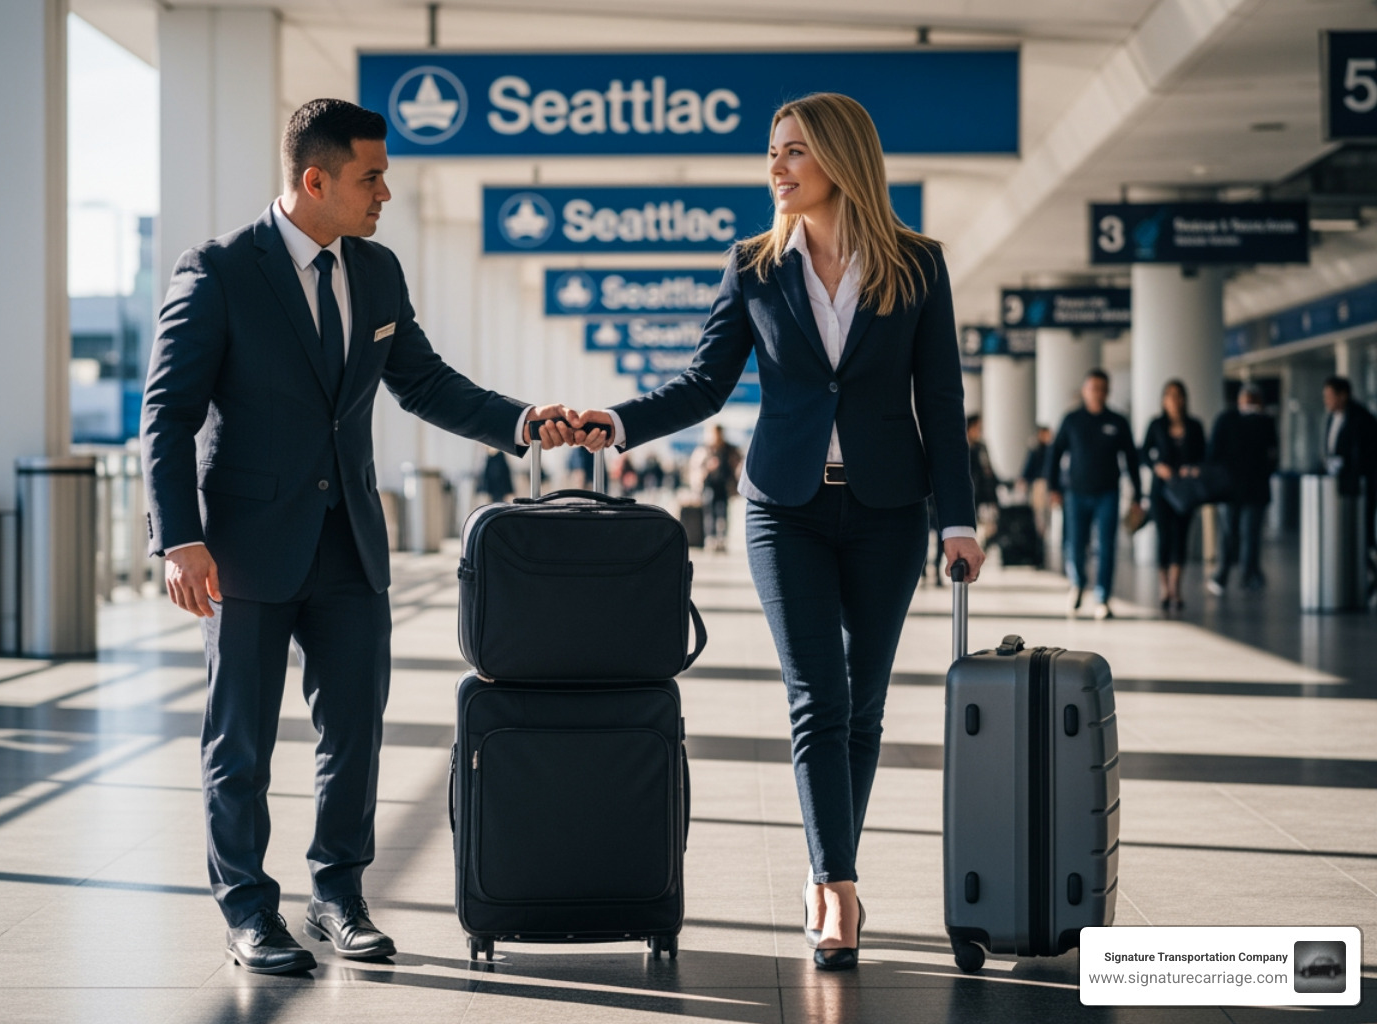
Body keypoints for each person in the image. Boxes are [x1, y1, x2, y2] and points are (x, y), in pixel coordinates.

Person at [142, 99, 573, 974]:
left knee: (356, 734)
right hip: (246, 549)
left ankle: (337, 894)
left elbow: (425, 382)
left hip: (350, 547)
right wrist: (177, 537)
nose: (385, 192)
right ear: (315, 180)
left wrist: (524, 421)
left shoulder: (375, 272)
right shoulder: (220, 270)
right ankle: (248, 912)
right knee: (243, 740)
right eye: (370, 177)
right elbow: (166, 414)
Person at [564, 92, 982, 971]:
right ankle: (838, 888)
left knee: (862, 706)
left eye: (794, 151)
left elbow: (940, 404)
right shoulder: (753, 267)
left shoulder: (918, 265)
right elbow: (705, 383)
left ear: (840, 158)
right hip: (781, 507)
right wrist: (622, 420)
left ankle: (830, 869)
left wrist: (960, 520)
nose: (777, 168)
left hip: (889, 512)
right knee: (816, 699)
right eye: (773, 153)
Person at [1045, 368, 1143, 620]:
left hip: (1108, 494)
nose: (1097, 393)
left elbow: (1132, 459)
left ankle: (1103, 597)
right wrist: (1053, 488)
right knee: (1075, 544)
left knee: (1106, 546)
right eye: (1092, 388)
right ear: (1084, 391)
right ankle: (1077, 584)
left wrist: (1139, 496)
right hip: (1076, 494)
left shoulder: (1118, 422)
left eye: (1101, 388)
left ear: (1107, 391)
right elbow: (1055, 455)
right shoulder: (1072, 420)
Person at [1141, 380, 1206, 612]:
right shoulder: (1156, 425)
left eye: (1178, 395)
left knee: (1181, 537)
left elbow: (1204, 455)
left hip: (1185, 490)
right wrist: (1157, 466)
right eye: (1169, 395)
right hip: (1162, 489)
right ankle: (1164, 587)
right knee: (1164, 537)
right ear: (1163, 399)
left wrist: (1194, 468)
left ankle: (1176, 588)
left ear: (1184, 399)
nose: (1174, 400)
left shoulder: (1194, 426)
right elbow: (1143, 453)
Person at [1207, 383, 1278, 593]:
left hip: (1255, 490)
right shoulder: (1226, 420)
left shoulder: (1265, 422)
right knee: (1229, 533)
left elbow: (1272, 455)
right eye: (1245, 399)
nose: (1248, 404)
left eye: (1253, 400)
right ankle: (1223, 572)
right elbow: (1213, 452)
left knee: (1251, 533)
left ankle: (1250, 574)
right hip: (1229, 490)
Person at [1322, 375, 1377, 593]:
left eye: (1330, 396)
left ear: (1343, 395)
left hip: (1359, 488)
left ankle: (1368, 571)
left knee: (1362, 532)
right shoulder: (1331, 419)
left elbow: (1367, 456)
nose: (1327, 400)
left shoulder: (1362, 419)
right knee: (1347, 534)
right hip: (1336, 487)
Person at [690, 424, 743, 552]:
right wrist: (707, 468)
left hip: (724, 485)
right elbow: (695, 466)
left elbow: (739, 463)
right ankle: (711, 538)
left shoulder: (729, 449)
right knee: (709, 513)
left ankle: (721, 538)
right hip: (709, 485)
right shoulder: (705, 449)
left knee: (723, 512)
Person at [966, 413, 1000, 541]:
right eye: (977, 427)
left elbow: (989, 469)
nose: (979, 431)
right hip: (972, 493)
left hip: (986, 492)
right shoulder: (965, 448)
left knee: (990, 526)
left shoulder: (982, 447)